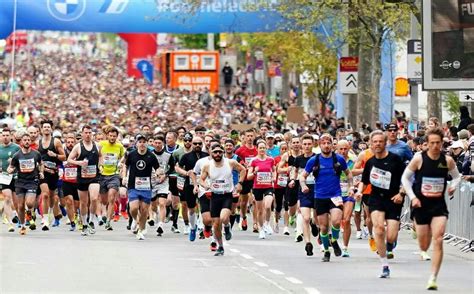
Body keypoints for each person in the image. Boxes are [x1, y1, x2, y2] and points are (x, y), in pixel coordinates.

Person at [401, 127, 461, 290]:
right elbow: (405, 179)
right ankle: (422, 246)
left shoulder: (447, 160)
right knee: (424, 244)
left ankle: (433, 277)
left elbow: (456, 177)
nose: (435, 146)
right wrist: (413, 197)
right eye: (432, 143)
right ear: (426, 144)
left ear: (442, 143)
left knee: (439, 238)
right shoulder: (419, 159)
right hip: (421, 205)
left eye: (438, 143)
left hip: (438, 205)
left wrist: (453, 186)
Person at [355, 130, 406, 278]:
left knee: (391, 235)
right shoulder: (370, 162)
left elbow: (407, 179)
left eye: (380, 141)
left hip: (393, 199)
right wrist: (359, 191)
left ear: (385, 143)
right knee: (378, 228)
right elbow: (364, 181)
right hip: (376, 198)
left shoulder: (395, 160)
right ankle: (384, 265)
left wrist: (401, 193)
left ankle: (389, 245)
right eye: (375, 142)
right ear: (371, 144)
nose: (377, 144)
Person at [300, 133, 352, 262]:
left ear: (332, 145)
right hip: (320, 196)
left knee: (336, 221)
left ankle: (333, 240)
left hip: (335, 195)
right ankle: (327, 251)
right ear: (320, 145)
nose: (326, 145)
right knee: (323, 227)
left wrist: (351, 187)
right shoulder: (314, 160)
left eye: (329, 143)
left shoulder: (338, 159)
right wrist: (303, 185)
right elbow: (302, 176)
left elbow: (349, 174)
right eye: (324, 143)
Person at [199, 143, 246, 255]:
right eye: (215, 152)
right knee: (215, 224)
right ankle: (220, 246)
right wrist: (205, 185)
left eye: (220, 151)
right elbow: (201, 179)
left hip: (227, 195)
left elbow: (243, 170)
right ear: (211, 153)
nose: (218, 154)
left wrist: (239, 183)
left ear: (223, 152)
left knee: (223, 217)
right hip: (215, 196)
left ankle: (227, 225)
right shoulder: (207, 165)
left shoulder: (230, 163)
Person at [122, 134, 160, 240]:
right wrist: (124, 177)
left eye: (144, 142)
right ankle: (135, 219)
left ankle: (141, 230)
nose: (142, 144)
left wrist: (159, 173)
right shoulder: (131, 154)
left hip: (146, 186)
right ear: (136, 143)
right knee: (133, 208)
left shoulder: (151, 156)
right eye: (140, 142)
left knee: (144, 210)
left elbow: (157, 168)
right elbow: (125, 166)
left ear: (147, 143)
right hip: (133, 185)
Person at [67, 125, 102, 236]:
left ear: (92, 134)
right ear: (82, 134)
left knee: (94, 198)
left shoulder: (97, 145)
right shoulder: (78, 147)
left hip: (94, 176)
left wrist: (101, 165)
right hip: (82, 177)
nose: (88, 135)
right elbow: (69, 159)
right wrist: (79, 163)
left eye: (89, 132)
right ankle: (85, 223)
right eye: (86, 133)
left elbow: (101, 156)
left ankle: (91, 220)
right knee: (83, 203)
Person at [7, 133, 43, 235]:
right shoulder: (17, 155)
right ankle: (23, 226)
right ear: (22, 142)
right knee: (21, 206)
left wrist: (41, 172)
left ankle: (29, 213)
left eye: (28, 140)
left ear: (30, 141)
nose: (27, 141)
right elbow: (11, 167)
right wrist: (9, 170)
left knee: (30, 203)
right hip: (20, 182)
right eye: (25, 140)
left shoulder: (36, 154)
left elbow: (41, 164)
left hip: (32, 181)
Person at [175, 136, 208, 241]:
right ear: (192, 145)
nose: (197, 145)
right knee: (191, 208)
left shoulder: (206, 156)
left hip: (203, 184)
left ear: (202, 145)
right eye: (195, 144)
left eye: (199, 143)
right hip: (189, 185)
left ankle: (202, 227)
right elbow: (177, 167)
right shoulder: (186, 156)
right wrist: (186, 173)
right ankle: (193, 227)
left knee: (204, 206)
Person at [38, 120, 66, 230]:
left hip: (53, 172)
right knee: (44, 195)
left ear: (51, 129)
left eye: (48, 127)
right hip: (42, 172)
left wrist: (55, 155)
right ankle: (45, 220)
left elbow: (64, 157)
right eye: (44, 127)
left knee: (51, 196)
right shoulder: (38, 143)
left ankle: (50, 213)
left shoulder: (56, 142)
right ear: (41, 129)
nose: (46, 129)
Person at [292, 134, 317, 255]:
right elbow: (296, 171)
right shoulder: (299, 159)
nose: (307, 146)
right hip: (304, 190)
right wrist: (293, 179)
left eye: (309, 144)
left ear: (313, 144)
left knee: (317, 218)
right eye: (305, 144)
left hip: (317, 190)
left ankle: (314, 223)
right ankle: (308, 243)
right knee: (305, 217)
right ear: (302, 145)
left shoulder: (317, 158)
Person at [247, 140, 276, 239]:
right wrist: (254, 172)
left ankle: (267, 223)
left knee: (268, 206)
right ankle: (261, 229)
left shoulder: (271, 160)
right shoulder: (254, 161)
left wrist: (274, 177)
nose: (262, 149)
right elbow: (248, 176)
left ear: (266, 148)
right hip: (258, 187)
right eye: (260, 148)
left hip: (268, 186)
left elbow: (274, 170)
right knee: (259, 210)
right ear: (257, 149)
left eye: (264, 148)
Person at [98, 126, 125, 231]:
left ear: (117, 137)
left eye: (114, 136)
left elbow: (125, 156)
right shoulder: (101, 144)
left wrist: (120, 163)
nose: (112, 138)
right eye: (110, 136)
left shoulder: (119, 146)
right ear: (107, 136)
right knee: (104, 200)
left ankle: (108, 221)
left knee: (112, 197)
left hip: (114, 175)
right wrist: (99, 164)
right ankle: (104, 212)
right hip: (102, 174)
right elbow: (97, 156)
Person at [336, 139, 359, 257]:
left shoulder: (353, 160)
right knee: (334, 220)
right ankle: (332, 239)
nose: (343, 151)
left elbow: (355, 172)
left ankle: (345, 247)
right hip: (334, 192)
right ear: (337, 149)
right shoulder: (332, 160)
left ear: (349, 149)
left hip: (349, 192)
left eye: (345, 149)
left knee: (346, 220)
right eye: (341, 149)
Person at [278, 136, 301, 236]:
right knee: (290, 206)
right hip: (290, 182)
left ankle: (297, 227)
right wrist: (287, 169)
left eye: (297, 142)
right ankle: (291, 217)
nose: (296, 144)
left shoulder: (304, 155)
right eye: (294, 142)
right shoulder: (287, 155)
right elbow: (278, 169)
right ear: (290, 144)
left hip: (301, 182)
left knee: (300, 205)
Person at [235, 128, 258, 231]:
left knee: (254, 200)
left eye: (251, 136)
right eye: (247, 136)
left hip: (254, 177)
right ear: (244, 137)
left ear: (254, 136)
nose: (249, 138)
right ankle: (243, 217)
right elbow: (235, 164)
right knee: (243, 202)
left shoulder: (257, 150)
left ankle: (255, 223)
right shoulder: (240, 150)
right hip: (244, 178)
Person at [150, 135, 172, 236]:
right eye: (156, 143)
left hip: (163, 182)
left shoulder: (168, 156)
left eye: (160, 143)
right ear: (153, 143)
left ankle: (161, 225)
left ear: (163, 144)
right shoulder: (149, 155)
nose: (158, 145)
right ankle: (156, 214)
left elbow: (172, 168)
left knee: (162, 203)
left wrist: (165, 175)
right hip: (151, 182)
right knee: (154, 205)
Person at [0, 128, 20, 232]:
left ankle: (19, 217)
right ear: (1, 137)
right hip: (4, 176)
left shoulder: (16, 148)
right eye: (3, 135)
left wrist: (13, 162)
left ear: (11, 136)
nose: (5, 137)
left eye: (7, 135)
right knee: (7, 198)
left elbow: (22, 160)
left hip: (16, 176)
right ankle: (10, 223)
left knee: (16, 201)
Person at [60, 133, 80, 231]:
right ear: (65, 143)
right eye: (68, 142)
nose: (70, 144)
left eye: (72, 142)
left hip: (77, 181)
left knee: (77, 204)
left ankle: (77, 217)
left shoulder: (79, 152)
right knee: (69, 201)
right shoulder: (63, 154)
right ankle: (72, 221)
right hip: (66, 181)